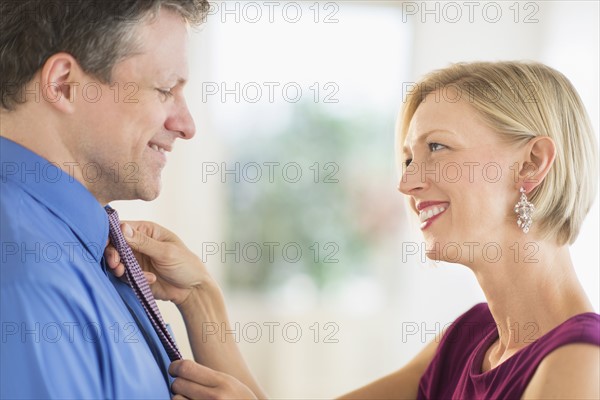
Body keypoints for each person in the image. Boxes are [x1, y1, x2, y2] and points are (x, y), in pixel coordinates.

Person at [111, 61, 600, 399]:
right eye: (409, 157)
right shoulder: (469, 338)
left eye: (437, 149)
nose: (406, 182)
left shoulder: (579, 366)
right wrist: (198, 296)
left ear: (532, 163)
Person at [1, 1, 263, 399]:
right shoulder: (25, 276)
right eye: (164, 90)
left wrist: (199, 299)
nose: (186, 126)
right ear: (63, 84)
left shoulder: (82, 250)